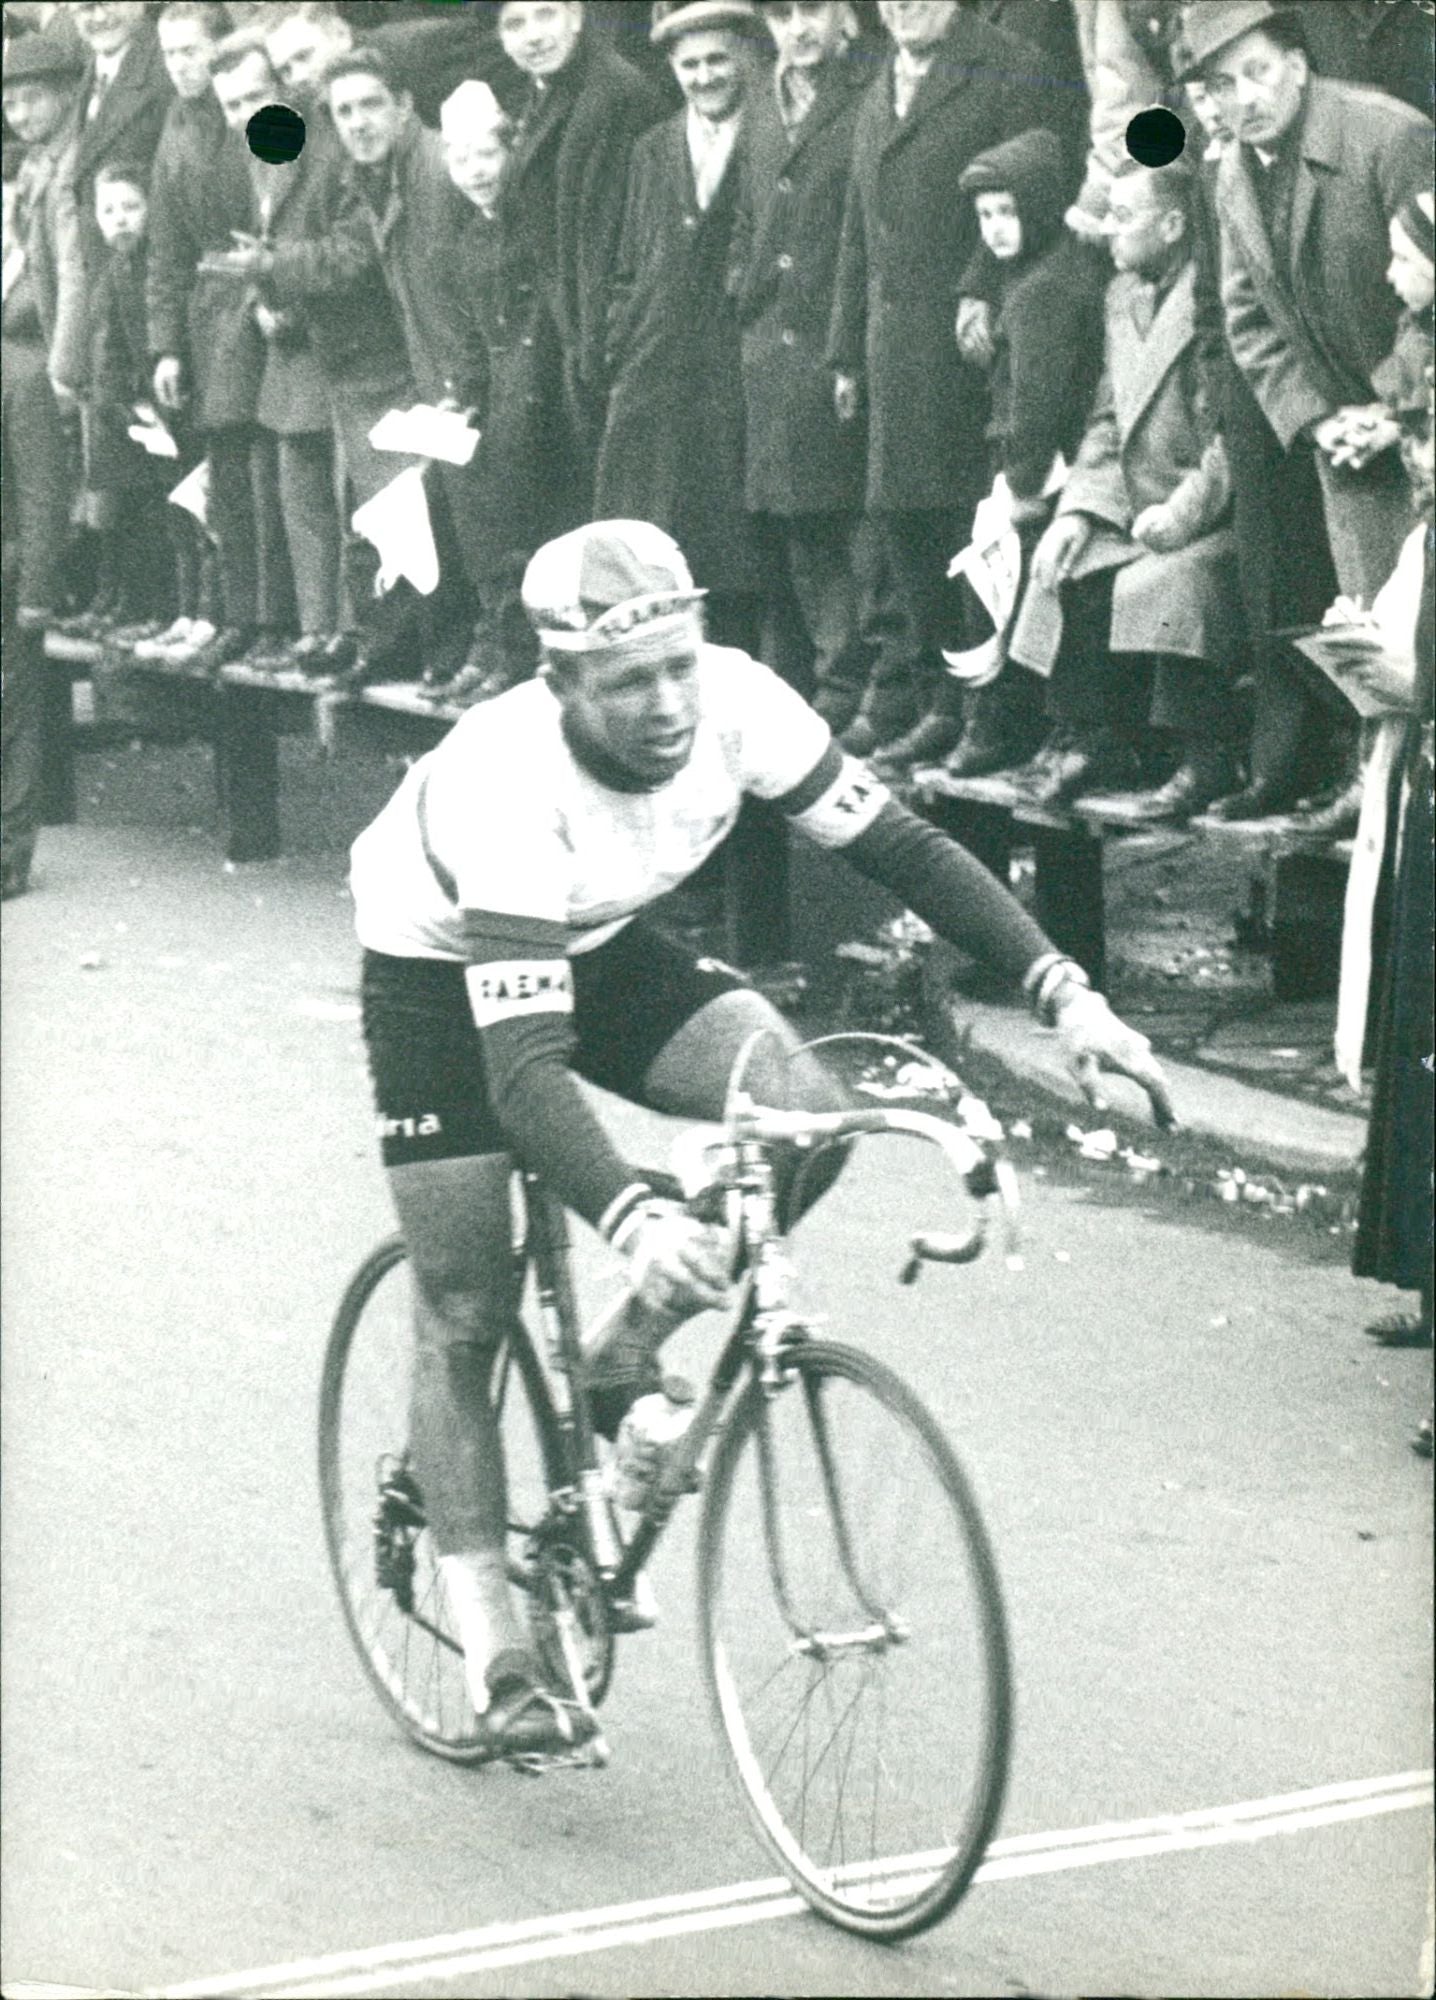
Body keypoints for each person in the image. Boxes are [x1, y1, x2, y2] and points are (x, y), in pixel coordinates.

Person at [348, 516, 1175, 1751]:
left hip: (594, 932)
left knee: (799, 1104)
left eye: (680, 662)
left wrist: (1067, 992)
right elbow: (523, 1069)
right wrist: (629, 1211)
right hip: (443, 962)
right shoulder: (504, 781)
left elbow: (907, 848)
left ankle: (620, 1357)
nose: (668, 702)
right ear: (558, 681)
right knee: (464, 1301)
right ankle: (497, 1645)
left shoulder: (739, 701)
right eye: (629, 682)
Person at [1182, 0, 1433, 831]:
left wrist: (1395, 407)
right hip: (1344, 441)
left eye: (1256, 71)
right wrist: (1319, 419)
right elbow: (1245, 316)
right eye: (1222, 85)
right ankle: (1377, 783)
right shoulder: (1230, 175)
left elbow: (1428, 288)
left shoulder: (1388, 137)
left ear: (1297, 62)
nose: (1244, 97)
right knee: (1368, 622)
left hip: (1419, 420)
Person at [825, 0, 1060, 764]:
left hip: (971, 344)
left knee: (972, 527)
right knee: (905, 525)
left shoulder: (1004, 64)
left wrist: (982, 285)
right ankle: (938, 696)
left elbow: (1033, 196)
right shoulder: (877, 88)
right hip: (892, 351)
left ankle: (986, 709)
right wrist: (845, 353)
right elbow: (858, 231)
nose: (905, 6)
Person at [1004, 157, 1246, 818]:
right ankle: (1095, 738)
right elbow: (1110, 420)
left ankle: (1205, 759)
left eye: (1123, 215)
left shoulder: (1215, 299)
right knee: (1064, 562)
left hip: (1218, 510)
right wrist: (1080, 510)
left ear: (1171, 224)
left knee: (1171, 581)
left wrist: (1183, 512)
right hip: (1138, 507)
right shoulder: (1122, 296)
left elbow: (1236, 434)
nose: (1108, 231)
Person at [926, 125, 1107, 784]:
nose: (997, 229)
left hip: (1055, 466)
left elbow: (1038, 402)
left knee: (987, 572)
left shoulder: (1042, 290)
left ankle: (1000, 722)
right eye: (985, 216)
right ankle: (1009, 717)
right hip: (1048, 460)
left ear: (1037, 208)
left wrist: (1018, 484)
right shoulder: (1035, 272)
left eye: (1008, 213)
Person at [595, 0, 767, 650]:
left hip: (732, 378)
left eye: (717, 59)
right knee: (652, 550)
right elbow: (629, 262)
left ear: (748, 57)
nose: (704, 76)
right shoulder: (653, 150)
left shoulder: (770, 136)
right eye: (689, 65)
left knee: (734, 555)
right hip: (655, 378)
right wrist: (622, 334)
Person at [730, 0, 872, 734]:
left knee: (832, 516)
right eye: (782, 12)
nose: (799, 27)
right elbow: (749, 211)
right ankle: (801, 684)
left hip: (829, 334)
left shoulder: (869, 91)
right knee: (784, 522)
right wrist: (743, 289)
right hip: (769, 341)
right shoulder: (761, 101)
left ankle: (846, 681)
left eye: (813, 7)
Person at [1, 25, 87, 901]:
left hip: (9, 569)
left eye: (31, 96)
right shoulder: (34, 171)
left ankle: (9, 854)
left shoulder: (19, 374)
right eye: (10, 100)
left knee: (15, 710)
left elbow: (40, 491)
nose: (19, 112)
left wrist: (37, 588)